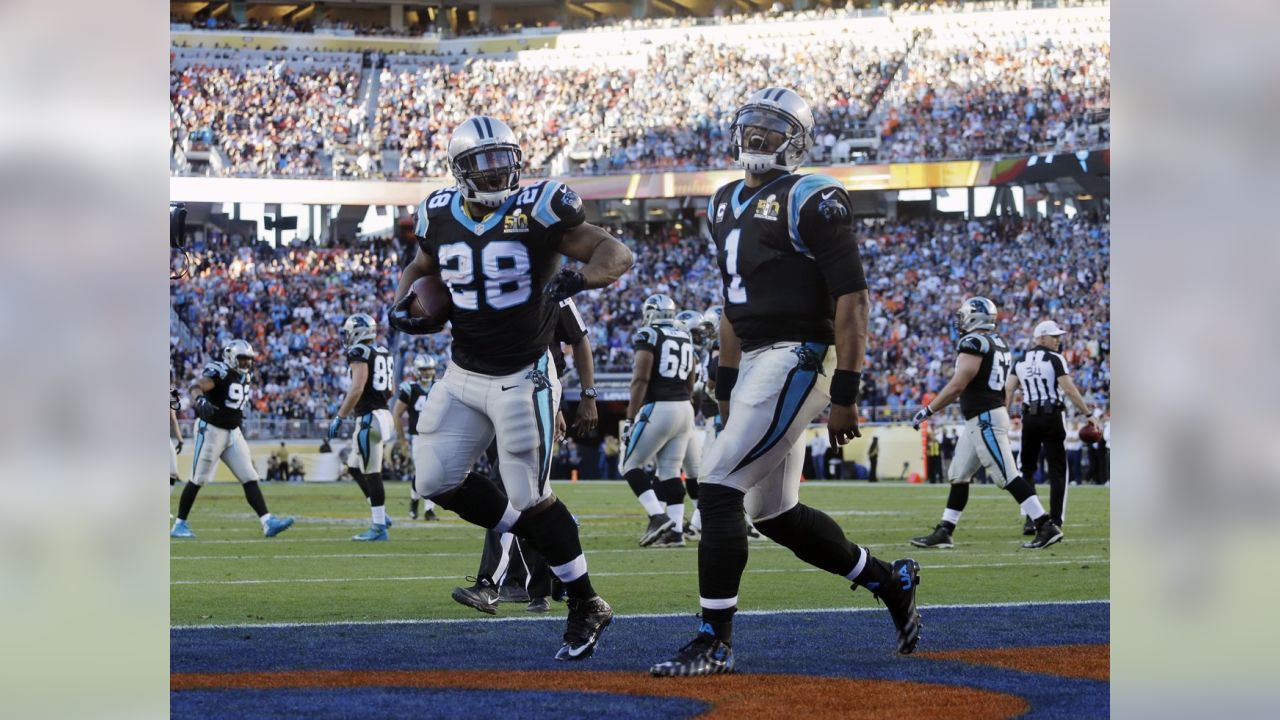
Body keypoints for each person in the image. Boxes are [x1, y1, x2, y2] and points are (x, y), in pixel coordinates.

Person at [650, 88, 920, 677]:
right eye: (751, 125)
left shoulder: (811, 195)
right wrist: (724, 391)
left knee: (717, 485)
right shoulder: (723, 202)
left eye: (773, 129)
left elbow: (853, 300)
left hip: (801, 353)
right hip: (755, 361)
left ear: (795, 140)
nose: (758, 137)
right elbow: (729, 307)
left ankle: (713, 639)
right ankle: (888, 579)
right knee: (774, 513)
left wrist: (846, 393)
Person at [388, 115, 632, 661]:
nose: (498, 172)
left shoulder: (542, 207)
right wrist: (401, 303)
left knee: (529, 493)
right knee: (434, 479)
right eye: (484, 163)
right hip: (462, 372)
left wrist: (581, 277)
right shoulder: (437, 213)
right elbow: (420, 266)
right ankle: (535, 538)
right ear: (460, 171)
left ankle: (585, 601)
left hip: (524, 375)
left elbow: (616, 254)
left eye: (504, 160)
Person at [908, 298, 1063, 551]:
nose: (960, 319)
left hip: (984, 418)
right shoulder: (998, 342)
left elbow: (958, 385)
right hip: (983, 416)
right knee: (959, 475)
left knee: (1007, 475)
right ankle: (945, 530)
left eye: (964, 314)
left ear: (976, 317)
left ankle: (1045, 524)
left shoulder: (974, 342)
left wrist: (928, 409)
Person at [171, 340, 295, 539]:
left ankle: (267, 522)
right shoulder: (220, 371)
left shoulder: (245, 376)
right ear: (230, 357)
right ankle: (179, 525)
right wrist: (200, 399)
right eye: (242, 359)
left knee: (249, 476)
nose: (246, 363)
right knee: (198, 479)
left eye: (248, 359)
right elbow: (197, 385)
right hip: (211, 430)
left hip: (233, 432)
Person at [1005, 319, 1100, 532]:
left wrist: (1003, 415)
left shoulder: (1020, 361)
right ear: (1040, 338)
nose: (1058, 340)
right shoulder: (1055, 359)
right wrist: (1088, 413)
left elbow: (1009, 390)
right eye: (1054, 336)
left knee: (1026, 468)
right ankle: (1055, 520)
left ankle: (1032, 518)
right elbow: (1068, 389)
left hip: (1030, 417)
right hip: (1052, 417)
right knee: (1058, 470)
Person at [622, 294, 696, 548]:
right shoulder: (685, 334)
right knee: (670, 472)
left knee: (630, 465)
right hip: (685, 407)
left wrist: (631, 417)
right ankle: (675, 532)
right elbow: (691, 378)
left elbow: (641, 377)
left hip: (660, 406)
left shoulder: (648, 335)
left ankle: (657, 516)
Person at [328, 313, 396, 541]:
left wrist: (340, 416)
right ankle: (381, 514)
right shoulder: (383, 351)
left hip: (369, 418)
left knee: (372, 472)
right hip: (383, 414)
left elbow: (357, 388)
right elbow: (391, 390)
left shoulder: (359, 352)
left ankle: (378, 526)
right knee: (354, 467)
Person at [393, 355, 440, 520]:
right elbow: (397, 414)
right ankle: (414, 501)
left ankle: (429, 509)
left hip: (437, 436)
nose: (427, 372)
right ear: (416, 370)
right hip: (418, 436)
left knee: (434, 474)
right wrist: (401, 439)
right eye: (423, 369)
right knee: (421, 473)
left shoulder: (440, 387)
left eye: (429, 369)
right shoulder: (409, 388)